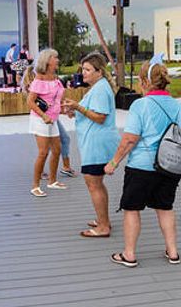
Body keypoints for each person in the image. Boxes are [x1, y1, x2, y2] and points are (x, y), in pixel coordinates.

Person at [105, 57, 181, 267]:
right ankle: (173, 252)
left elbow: (130, 138)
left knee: (132, 208)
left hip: (142, 166)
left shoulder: (140, 105)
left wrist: (114, 162)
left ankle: (129, 254)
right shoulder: (177, 105)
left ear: (145, 82)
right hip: (169, 166)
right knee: (165, 208)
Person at [63, 52, 119, 238]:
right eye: (83, 69)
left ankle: (103, 227)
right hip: (94, 143)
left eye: (87, 69)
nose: (83, 73)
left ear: (99, 72)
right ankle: (103, 219)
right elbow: (91, 113)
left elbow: (100, 117)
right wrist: (74, 111)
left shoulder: (101, 89)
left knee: (93, 183)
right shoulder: (97, 87)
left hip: (97, 144)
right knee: (97, 183)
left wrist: (78, 107)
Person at [22, 65, 76, 178]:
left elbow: (53, 102)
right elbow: (34, 102)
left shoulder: (49, 83)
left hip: (50, 117)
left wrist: (65, 110)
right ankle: (44, 174)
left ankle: (63, 168)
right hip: (43, 118)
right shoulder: (38, 85)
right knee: (46, 150)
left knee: (58, 143)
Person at [27, 49, 67, 197]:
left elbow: (57, 100)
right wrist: (44, 116)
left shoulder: (55, 78)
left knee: (57, 150)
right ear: (47, 60)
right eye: (55, 57)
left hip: (53, 119)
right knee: (43, 152)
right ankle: (35, 186)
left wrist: (64, 109)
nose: (58, 60)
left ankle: (52, 181)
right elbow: (30, 101)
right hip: (40, 119)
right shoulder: (40, 79)